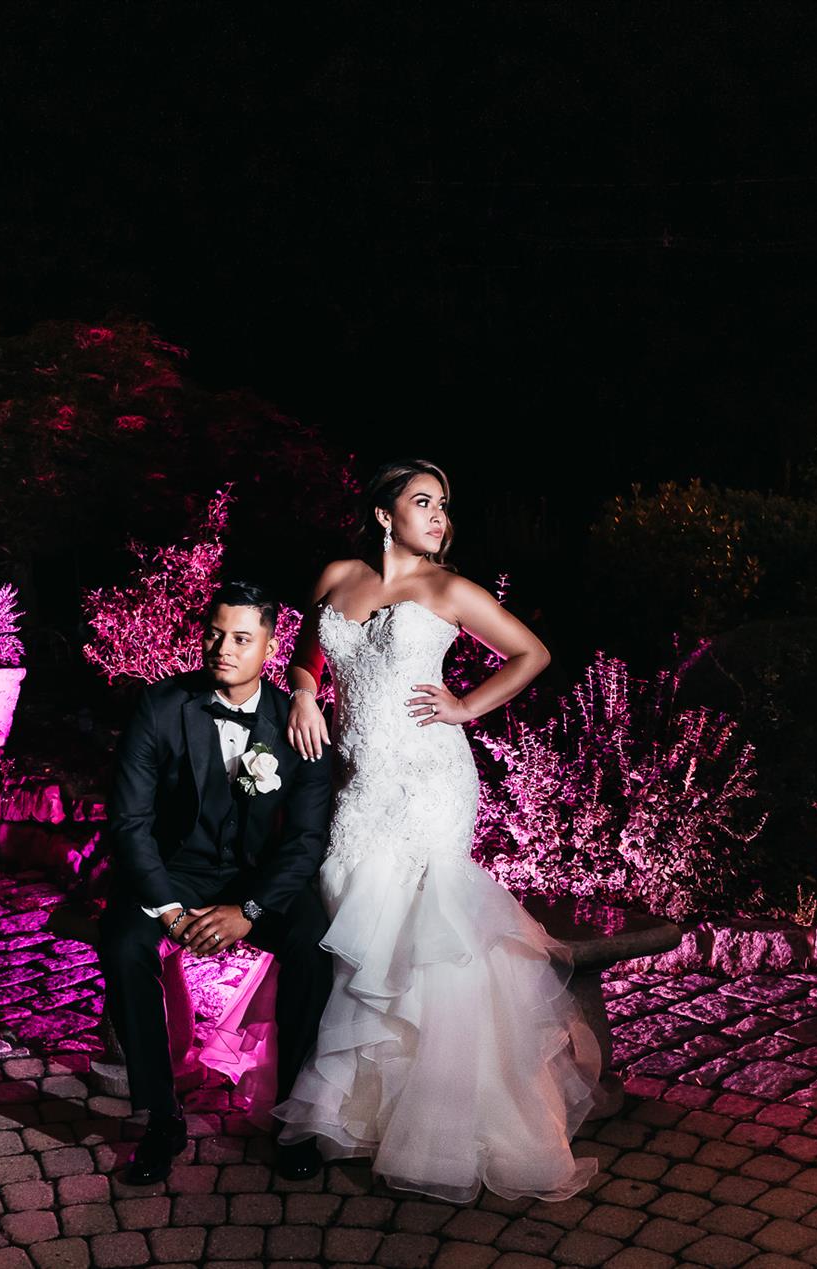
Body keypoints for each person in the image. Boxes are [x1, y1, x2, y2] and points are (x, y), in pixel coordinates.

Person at [269, 458, 602, 1203]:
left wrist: (466, 707)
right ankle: (365, 1111)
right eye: (424, 502)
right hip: (360, 788)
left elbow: (533, 653)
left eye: (444, 505)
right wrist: (303, 694)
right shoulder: (338, 576)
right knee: (351, 912)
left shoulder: (448, 590)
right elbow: (307, 655)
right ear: (383, 514)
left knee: (424, 939)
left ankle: (444, 1122)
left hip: (428, 784)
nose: (439, 517)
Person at [97, 581, 334, 1185]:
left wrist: (249, 909)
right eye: (215, 633)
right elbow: (129, 823)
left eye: (242, 638)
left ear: (271, 648)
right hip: (173, 872)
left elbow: (306, 840)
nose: (223, 648)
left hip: (258, 880)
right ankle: (161, 1117)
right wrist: (170, 911)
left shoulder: (298, 721)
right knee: (122, 943)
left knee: (313, 944)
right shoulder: (159, 706)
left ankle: (292, 1117)